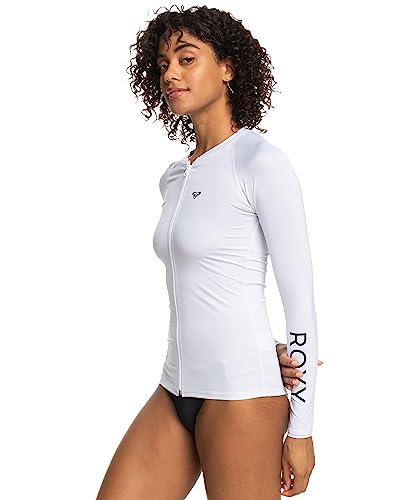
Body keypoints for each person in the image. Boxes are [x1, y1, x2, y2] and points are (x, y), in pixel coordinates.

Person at [96, 5, 323, 499]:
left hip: (241, 395)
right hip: (174, 387)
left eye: (186, 58)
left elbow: (300, 301)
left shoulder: (260, 163)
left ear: (227, 68)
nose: (170, 74)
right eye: (162, 64)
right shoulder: (175, 177)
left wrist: (302, 430)